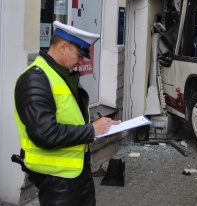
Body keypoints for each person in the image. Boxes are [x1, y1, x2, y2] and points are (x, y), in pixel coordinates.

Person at [13, 20, 120, 206]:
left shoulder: (61, 75)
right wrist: (92, 130)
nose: (81, 62)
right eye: (79, 55)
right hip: (56, 179)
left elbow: (71, 116)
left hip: (78, 171)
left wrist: (101, 125)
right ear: (63, 46)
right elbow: (45, 133)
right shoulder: (34, 79)